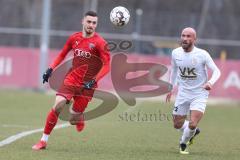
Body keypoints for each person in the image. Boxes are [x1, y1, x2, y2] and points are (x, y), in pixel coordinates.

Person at [32, 11, 110, 150]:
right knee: (58, 106)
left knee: (73, 119)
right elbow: (62, 54)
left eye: (94, 23)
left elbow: (107, 65)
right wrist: (50, 69)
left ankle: (78, 117)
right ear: (83, 21)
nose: (91, 25)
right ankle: (43, 141)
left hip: (87, 85)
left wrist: (93, 80)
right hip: (71, 78)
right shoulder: (74, 38)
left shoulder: (100, 43)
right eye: (89, 22)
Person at [166, 27, 221, 154]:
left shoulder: (202, 54)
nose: (185, 38)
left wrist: (210, 82)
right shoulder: (175, 53)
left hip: (199, 93)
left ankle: (183, 143)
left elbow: (217, 71)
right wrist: (170, 87)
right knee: (177, 124)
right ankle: (193, 132)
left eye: (188, 36)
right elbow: (174, 70)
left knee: (192, 123)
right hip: (183, 93)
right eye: (183, 35)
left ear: (194, 39)